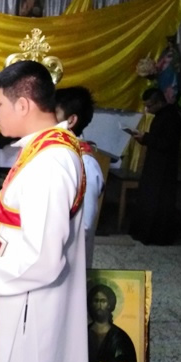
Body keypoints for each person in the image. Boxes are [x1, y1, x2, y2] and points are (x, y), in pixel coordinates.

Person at [0, 60, 88, 362]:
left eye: (0, 104)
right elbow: (16, 214)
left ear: (24, 105)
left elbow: (43, 260)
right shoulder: (42, 150)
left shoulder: (49, 164)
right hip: (16, 294)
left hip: (27, 307)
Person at [56, 86, 104, 268]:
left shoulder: (85, 164)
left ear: (71, 120)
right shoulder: (57, 153)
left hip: (68, 262)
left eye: (53, 114)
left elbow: (85, 225)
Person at [129, 88, 181, 245]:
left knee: (158, 200)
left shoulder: (172, 117)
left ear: (159, 102)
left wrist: (146, 138)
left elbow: (168, 143)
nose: (147, 109)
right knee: (148, 198)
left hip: (164, 167)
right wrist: (144, 139)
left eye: (149, 105)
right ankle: (143, 233)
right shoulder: (161, 115)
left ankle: (155, 237)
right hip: (154, 163)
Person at [87, 284, 138, 362]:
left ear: (110, 304)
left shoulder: (120, 337)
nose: (99, 305)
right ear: (91, 304)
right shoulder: (83, 334)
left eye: (103, 301)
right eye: (96, 301)